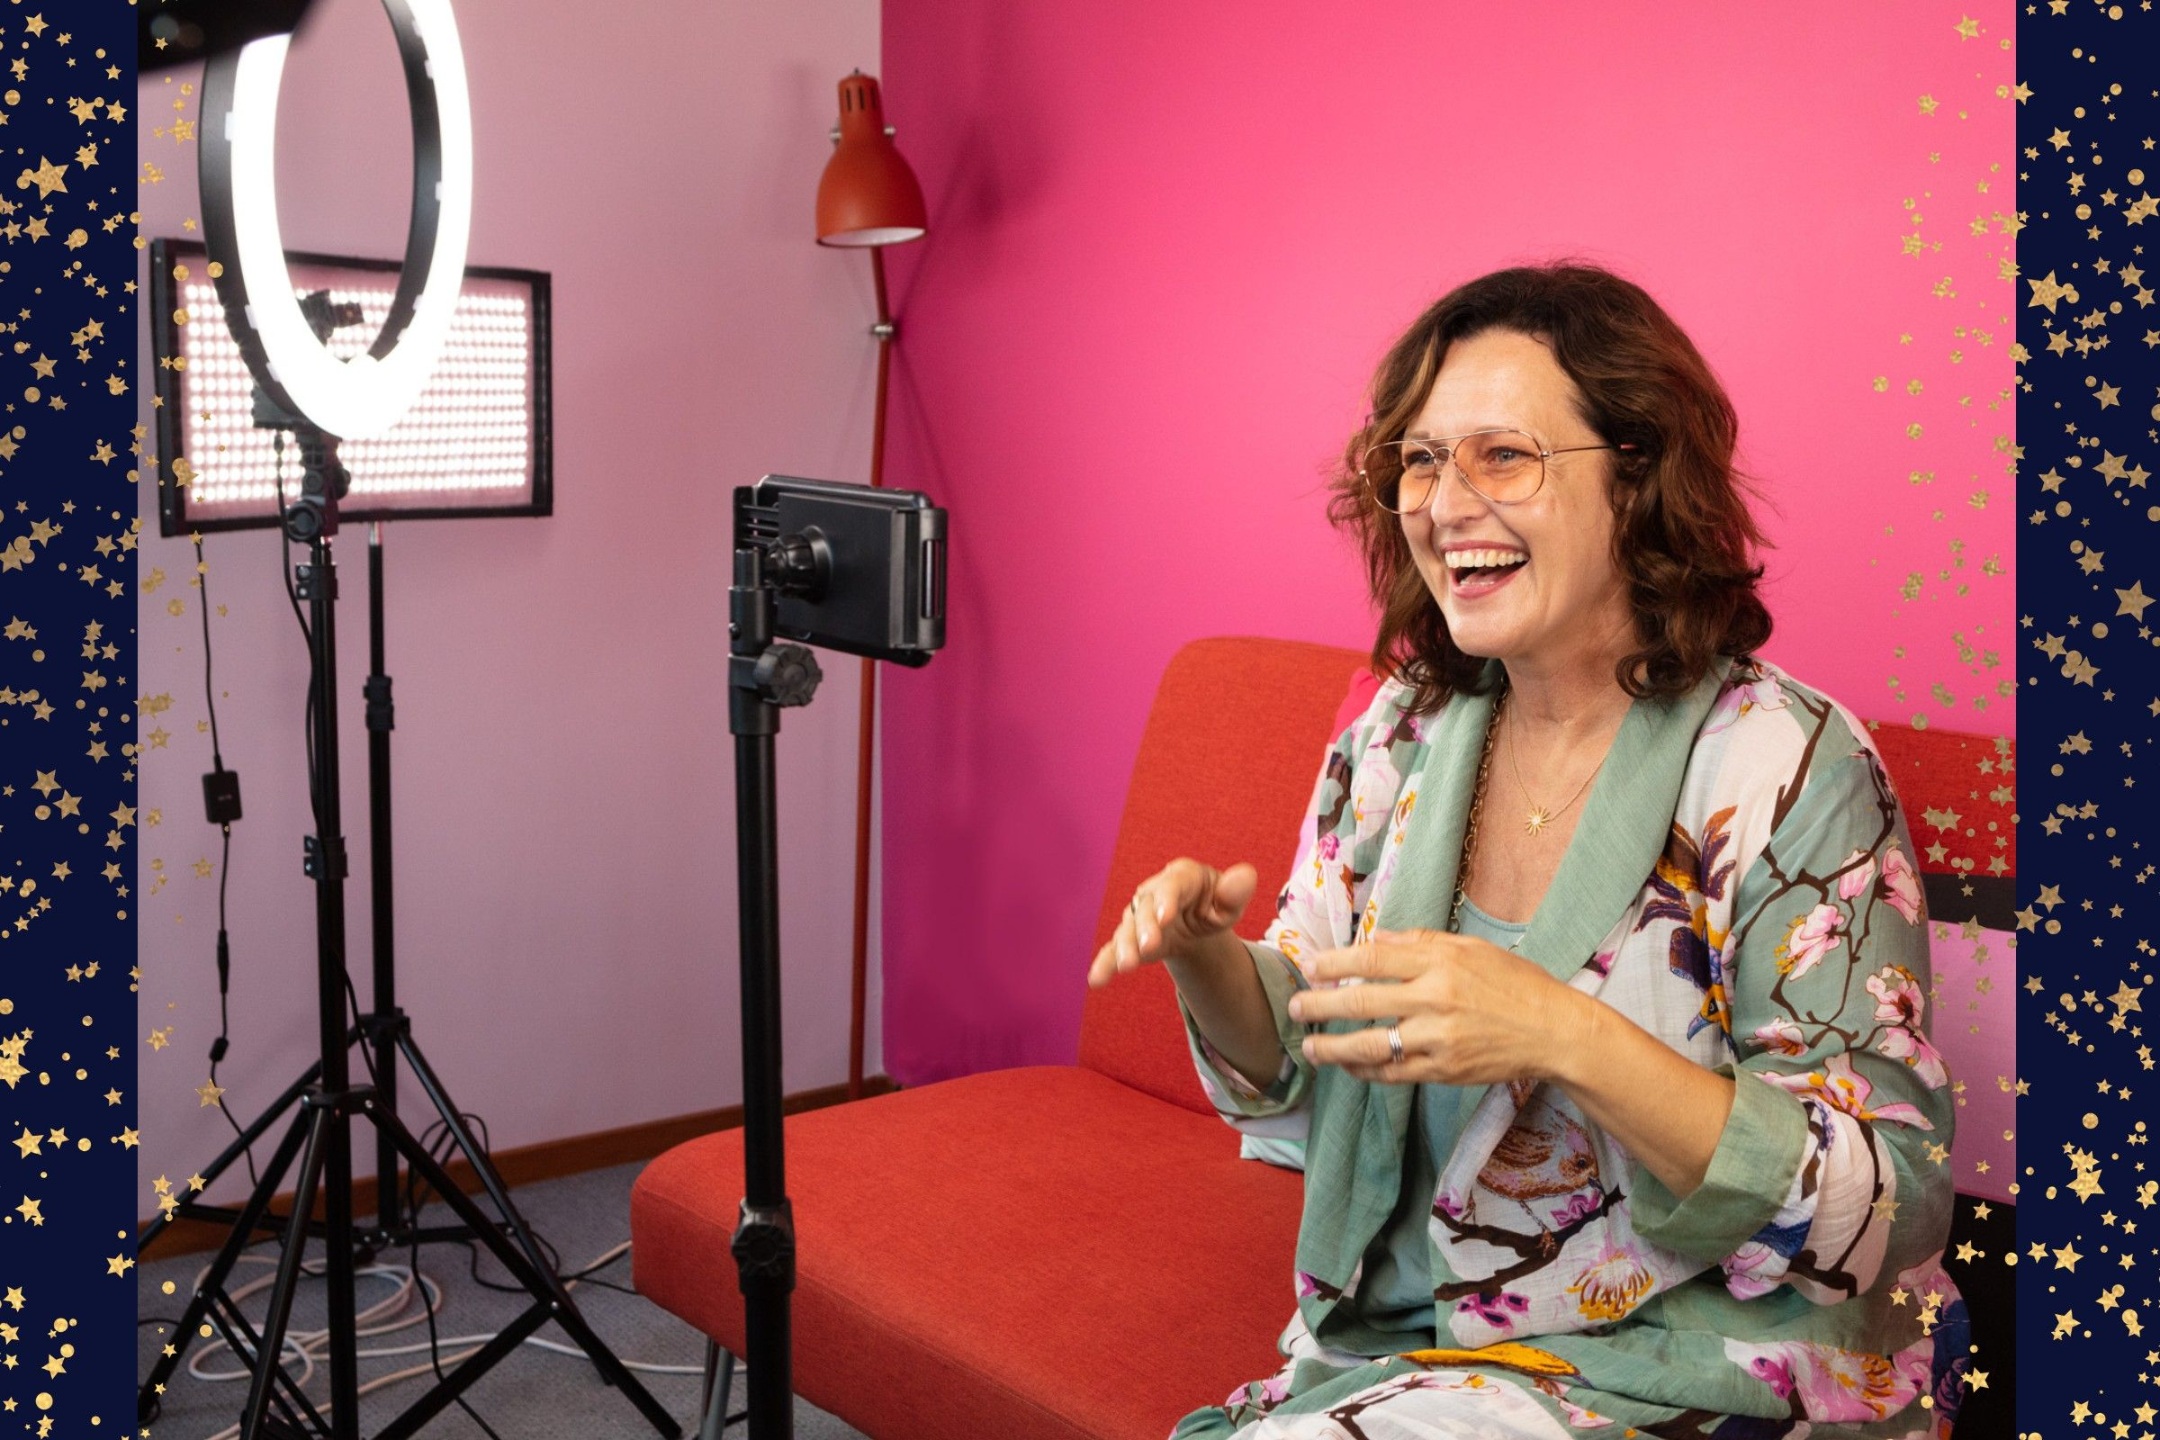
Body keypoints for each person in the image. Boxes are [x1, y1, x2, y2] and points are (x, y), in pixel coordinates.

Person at [1086, 262, 1967, 1440]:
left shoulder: (1788, 765)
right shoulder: (1398, 734)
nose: (1444, 504)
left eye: (1503, 455)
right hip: (1410, 1347)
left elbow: (1890, 1204)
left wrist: (1560, 1033)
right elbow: (1308, 1064)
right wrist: (1208, 959)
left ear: (1639, 478)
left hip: (1696, 1373)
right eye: (1419, 460)